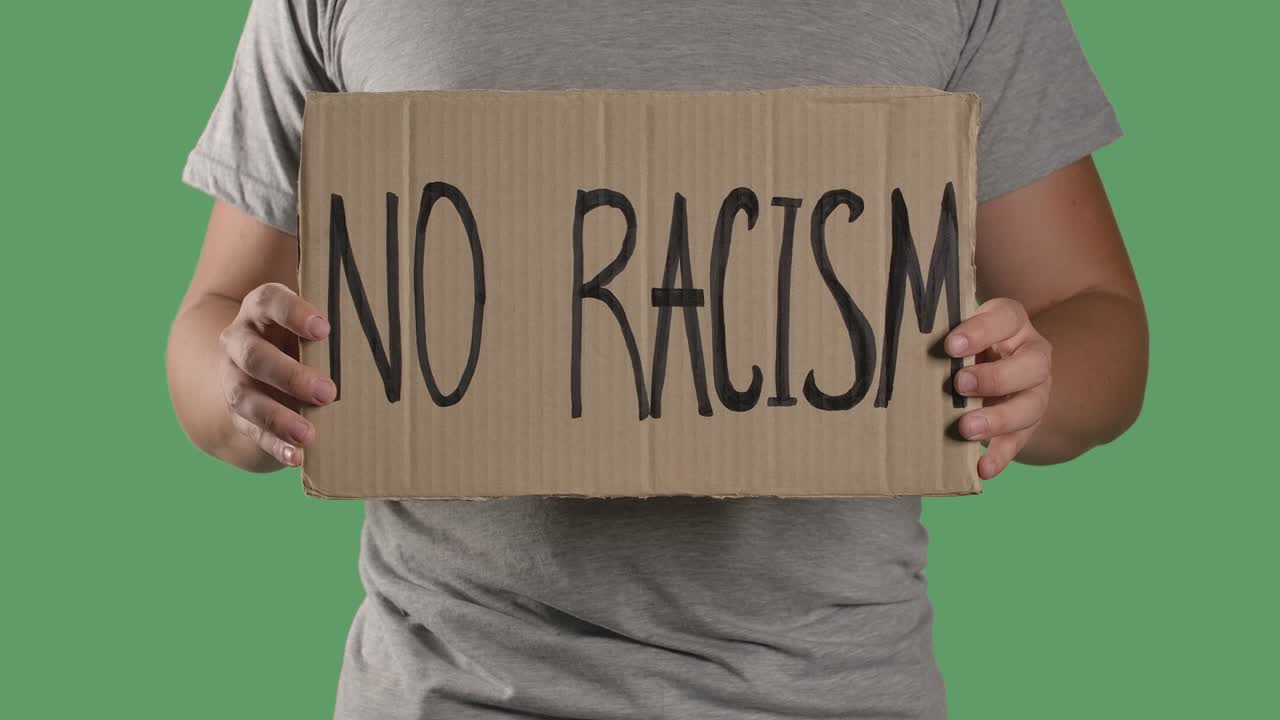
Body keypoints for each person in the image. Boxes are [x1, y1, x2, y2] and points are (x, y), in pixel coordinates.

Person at [168, 1, 1148, 718]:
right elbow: (213, 324)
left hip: (832, 696)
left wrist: (1033, 382)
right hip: (448, 691)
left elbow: (1097, 318)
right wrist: (243, 381)